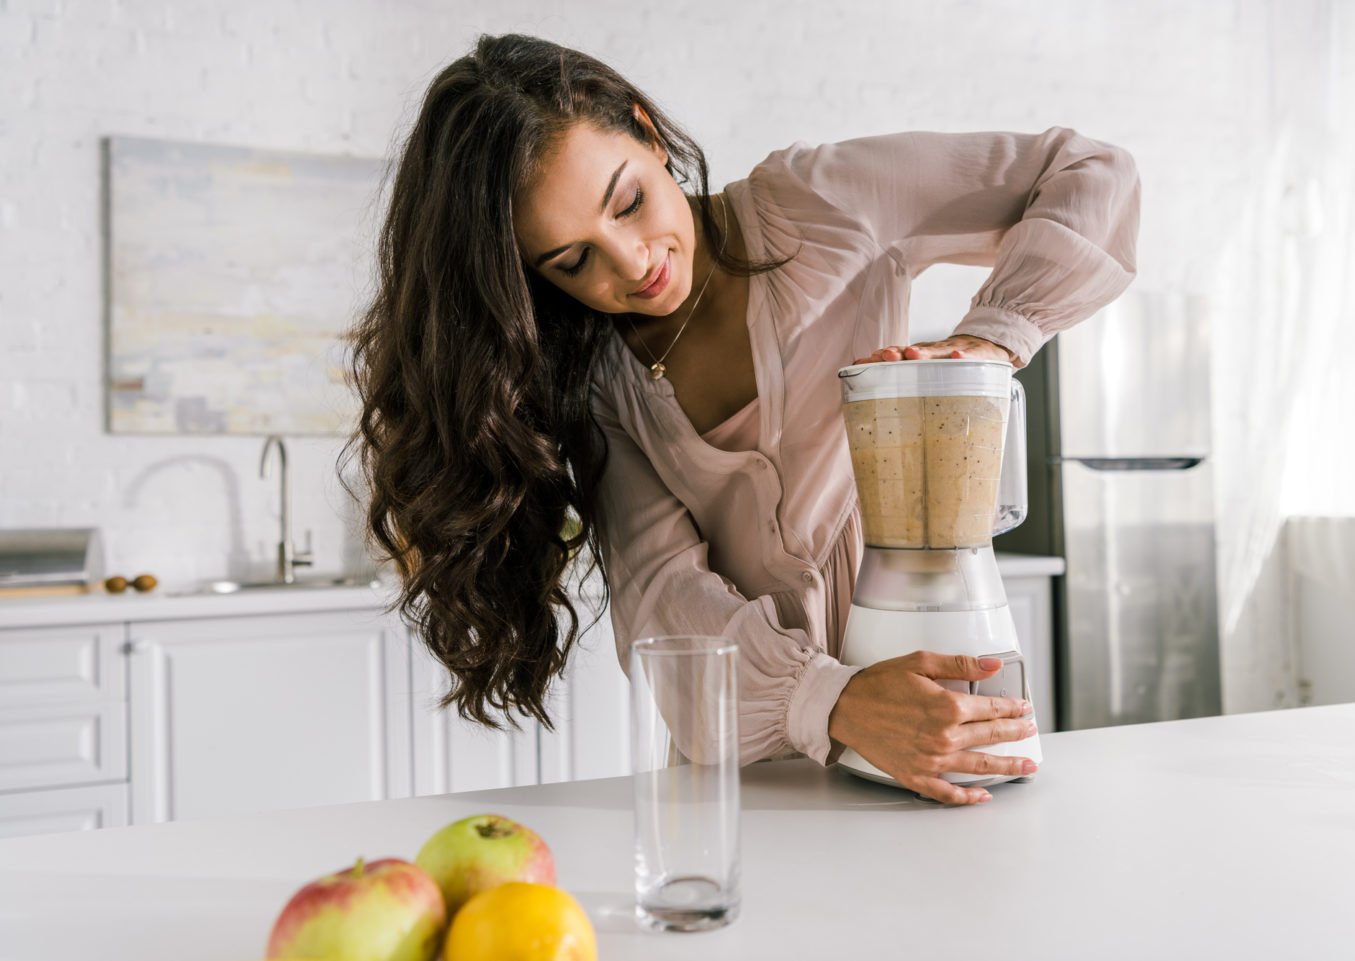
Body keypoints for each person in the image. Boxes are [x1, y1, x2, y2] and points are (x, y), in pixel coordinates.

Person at [348, 33, 1140, 805]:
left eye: (628, 202)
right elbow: (666, 603)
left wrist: (990, 339)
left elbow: (1090, 172)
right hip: (755, 780)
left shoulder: (819, 201)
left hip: (940, 716)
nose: (632, 264)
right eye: (573, 260)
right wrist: (830, 701)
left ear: (647, 132)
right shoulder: (601, 384)